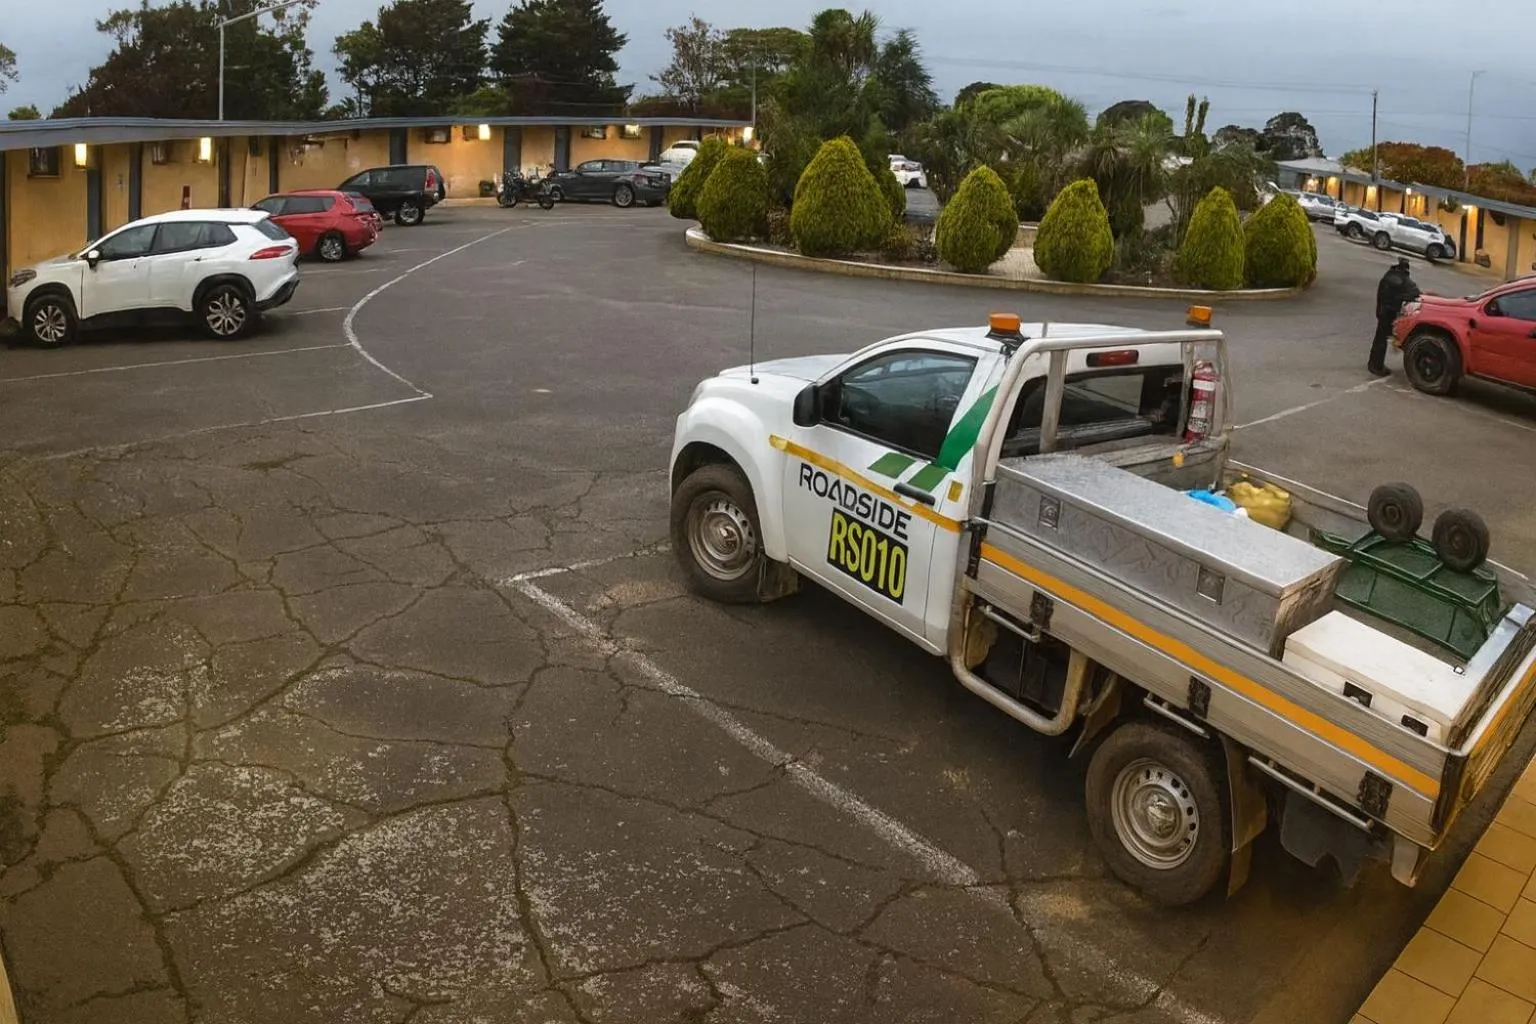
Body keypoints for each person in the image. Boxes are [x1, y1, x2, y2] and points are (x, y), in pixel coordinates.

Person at [1369, 257, 1421, 377]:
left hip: (1382, 311)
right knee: (1383, 340)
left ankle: (1374, 363)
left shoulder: (1388, 275)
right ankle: (1376, 366)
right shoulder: (1403, 280)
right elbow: (1415, 293)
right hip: (1390, 313)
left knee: (1379, 338)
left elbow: (1380, 293)